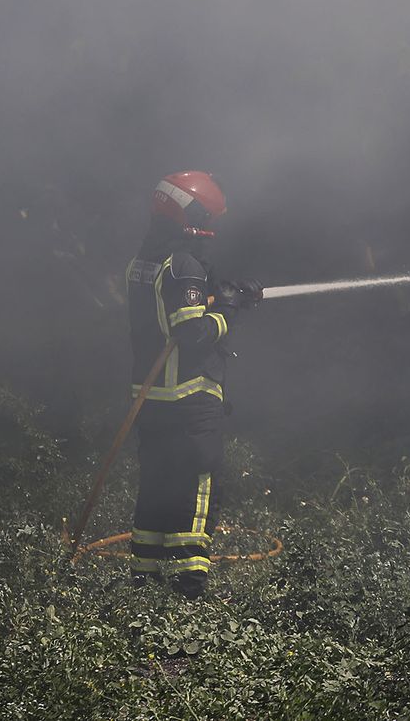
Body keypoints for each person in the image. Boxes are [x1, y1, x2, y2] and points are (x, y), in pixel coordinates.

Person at [125, 171, 260, 598]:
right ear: (191, 215)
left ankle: (144, 576)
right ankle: (190, 582)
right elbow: (192, 334)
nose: (212, 229)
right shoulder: (183, 264)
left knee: (158, 480)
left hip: (151, 399)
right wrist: (229, 315)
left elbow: (174, 305)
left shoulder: (144, 262)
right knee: (199, 480)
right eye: (208, 218)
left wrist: (222, 293)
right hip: (188, 396)